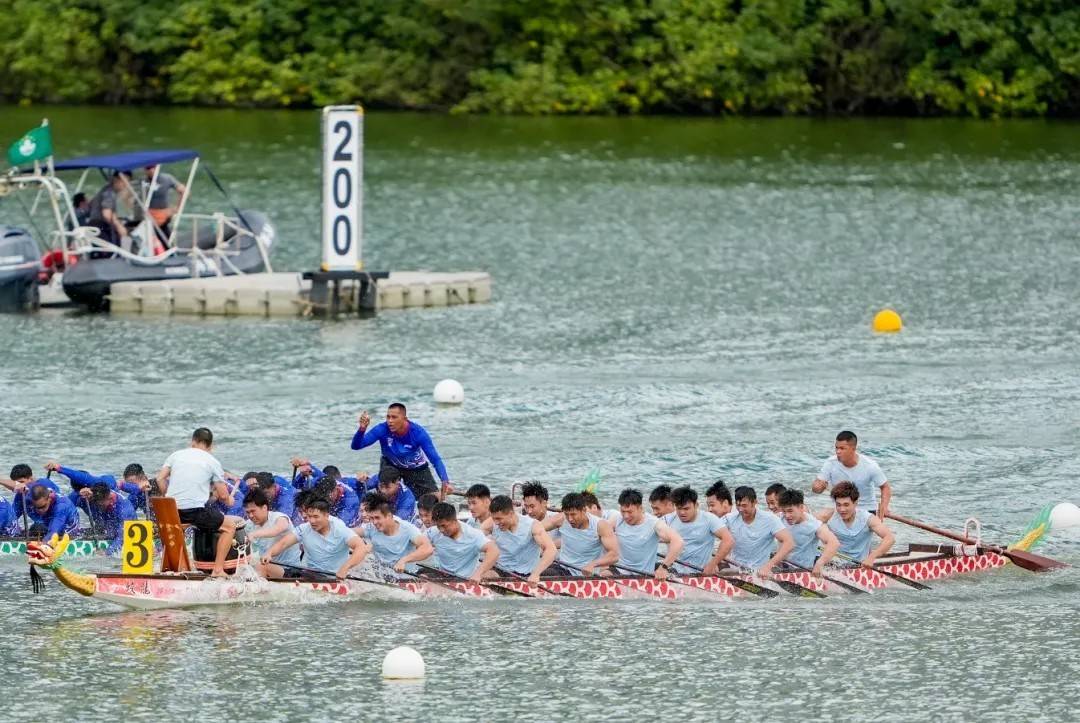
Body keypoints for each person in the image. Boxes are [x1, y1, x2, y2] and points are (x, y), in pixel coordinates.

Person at [157, 428, 237, 577]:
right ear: (211, 446)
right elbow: (224, 495)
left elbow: (159, 479)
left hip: (171, 511)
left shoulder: (175, 455)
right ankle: (218, 570)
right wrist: (230, 500)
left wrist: (167, 495)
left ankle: (172, 567)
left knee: (181, 526)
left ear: (192, 442)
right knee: (230, 527)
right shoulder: (212, 461)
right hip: (195, 511)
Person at [351, 403, 451, 498]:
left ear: (404, 419)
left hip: (415, 468)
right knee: (385, 495)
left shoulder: (418, 433)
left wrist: (445, 480)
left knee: (433, 499)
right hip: (390, 465)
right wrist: (362, 429)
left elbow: (435, 460)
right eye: (388, 417)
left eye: (394, 417)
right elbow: (356, 446)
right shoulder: (381, 429)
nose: (390, 421)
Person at [262, 496, 368, 579]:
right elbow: (283, 543)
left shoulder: (340, 529)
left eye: (316, 517)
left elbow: (361, 547)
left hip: (333, 577)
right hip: (308, 574)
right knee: (263, 567)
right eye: (309, 517)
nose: (312, 521)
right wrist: (269, 553)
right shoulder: (304, 528)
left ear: (326, 515)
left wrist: (345, 568)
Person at [707, 486, 793, 578]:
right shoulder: (729, 518)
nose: (740, 509)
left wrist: (768, 566)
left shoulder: (770, 519)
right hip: (735, 570)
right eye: (738, 505)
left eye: (744, 505)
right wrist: (713, 562)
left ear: (755, 502)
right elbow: (706, 535)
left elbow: (789, 543)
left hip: (758, 572)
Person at [811, 431, 891, 520]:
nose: (838, 451)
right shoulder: (830, 463)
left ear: (853, 448)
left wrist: (884, 507)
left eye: (842, 448)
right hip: (839, 506)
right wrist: (817, 488)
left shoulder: (870, 465)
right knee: (815, 520)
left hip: (864, 508)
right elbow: (816, 488)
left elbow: (885, 487)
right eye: (836, 448)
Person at [481, 495, 558, 584]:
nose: (496, 523)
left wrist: (536, 574)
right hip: (501, 571)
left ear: (511, 513)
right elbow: (474, 541)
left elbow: (551, 550)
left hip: (527, 575)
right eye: (494, 518)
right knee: (485, 575)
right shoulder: (491, 523)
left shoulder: (532, 525)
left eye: (499, 519)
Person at [817, 481, 895, 567]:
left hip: (857, 566)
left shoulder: (868, 519)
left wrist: (872, 557)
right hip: (831, 564)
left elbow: (890, 538)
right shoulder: (828, 515)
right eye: (838, 505)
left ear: (855, 503)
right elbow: (806, 522)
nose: (842, 509)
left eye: (846, 505)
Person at [355, 492, 433, 574]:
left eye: (377, 518)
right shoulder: (371, 527)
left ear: (389, 516)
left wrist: (403, 560)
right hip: (379, 577)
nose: (374, 522)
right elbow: (349, 533)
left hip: (406, 579)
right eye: (371, 518)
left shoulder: (408, 529)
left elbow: (428, 549)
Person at [614, 488, 684, 579]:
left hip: (643, 575)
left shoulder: (654, 523)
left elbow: (678, 541)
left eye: (630, 512)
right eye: (623, 511)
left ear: (640, 508)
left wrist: (664, 567)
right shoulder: (617, 519)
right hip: (619, 570)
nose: (626, 516)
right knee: (604, 573)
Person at [547, 492, 620, 576]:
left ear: (584, 510)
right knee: (537, 571)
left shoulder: (600, 525)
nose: (570, 519)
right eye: (567, 514)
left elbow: (614, 555)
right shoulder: (561, 519)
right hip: (562, 567)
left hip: (582, 575)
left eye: (573, 514)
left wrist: (593, 564)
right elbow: (537, 529)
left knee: (545, 574)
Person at [425, 501, 500, 581]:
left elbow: (494, 551)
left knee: (493, 574)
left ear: (454, 520)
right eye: (438, 526)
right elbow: (416, 541)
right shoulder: (434, 532)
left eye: (444, 526)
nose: (441, 530)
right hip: (443, 576)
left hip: (466, 579)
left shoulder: (472, 535)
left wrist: (478, 574)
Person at [778, 488, 839, 577]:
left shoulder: (813, 525)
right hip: (781, 566)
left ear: (801, 507)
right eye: (784, 511)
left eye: (790, 511)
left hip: (802, 571)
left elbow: (834, 543)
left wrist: (819, 564)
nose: (787, 516)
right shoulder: (780, 518)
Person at [667, 486, 726, 573]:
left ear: (696, 505)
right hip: (675, 571)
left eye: (686, 508)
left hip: (701, 572)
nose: (682, 512)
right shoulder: (669, 519)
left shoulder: (709, 519)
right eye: (679, 508)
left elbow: (728, 540)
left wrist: (713, 564)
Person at [243, 488, 302, 576]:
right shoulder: (248, 525)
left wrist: (254, 534)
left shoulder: (280, 518)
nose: (250, 516)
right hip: (267, 565)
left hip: (290, 569)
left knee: (261, 567)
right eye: (248, 512)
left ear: (264, 508)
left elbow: (276, 530)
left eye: (253, 511)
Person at [88, 483, 137, 556]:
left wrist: (107, 552)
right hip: (112, 527)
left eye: (101, 505)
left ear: (110, 498)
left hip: (129, 534)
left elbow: (122, 538)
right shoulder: (103, 491)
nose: (99, 507)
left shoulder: (125, 511)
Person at [87, 171, 132, 247]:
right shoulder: (109, 192)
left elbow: (91, 204)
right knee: (123, 235)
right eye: (124, 181)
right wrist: (119, 227)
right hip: (100, 226)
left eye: (128, 182)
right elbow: (107, 214)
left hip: (93, 224)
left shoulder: (104, 189)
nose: (126, 185)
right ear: (115, 180)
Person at [144, 164, 186, 238]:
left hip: (162, 216)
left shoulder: (166, 178)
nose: (151, 170)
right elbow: (128, 195)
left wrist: (176, 209)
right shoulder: (143, 181)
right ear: (144, 169)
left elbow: (184, 191)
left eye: (153, 167)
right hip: (148, 217)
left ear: (157, 167)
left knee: (165, 238)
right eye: (148, 168)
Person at [521, 481, 561, 547]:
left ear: (544, 503)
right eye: (526, 506)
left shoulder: (557, 518)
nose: (529, 511)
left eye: (532, 506)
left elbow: (568, 541)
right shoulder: (523, 520)